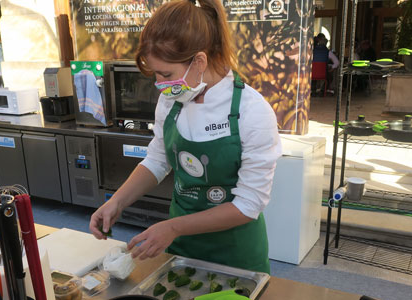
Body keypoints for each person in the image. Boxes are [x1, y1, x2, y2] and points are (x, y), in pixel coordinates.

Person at [89, 0, 281, 274]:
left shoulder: (253, 112)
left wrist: (173, 227)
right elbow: (158, 159)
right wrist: (116, 201)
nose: (159, 84)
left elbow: (248, 204)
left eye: (166, 74)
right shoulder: (172, 100)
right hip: (180, 246)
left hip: (235, 253)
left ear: (199, 61)